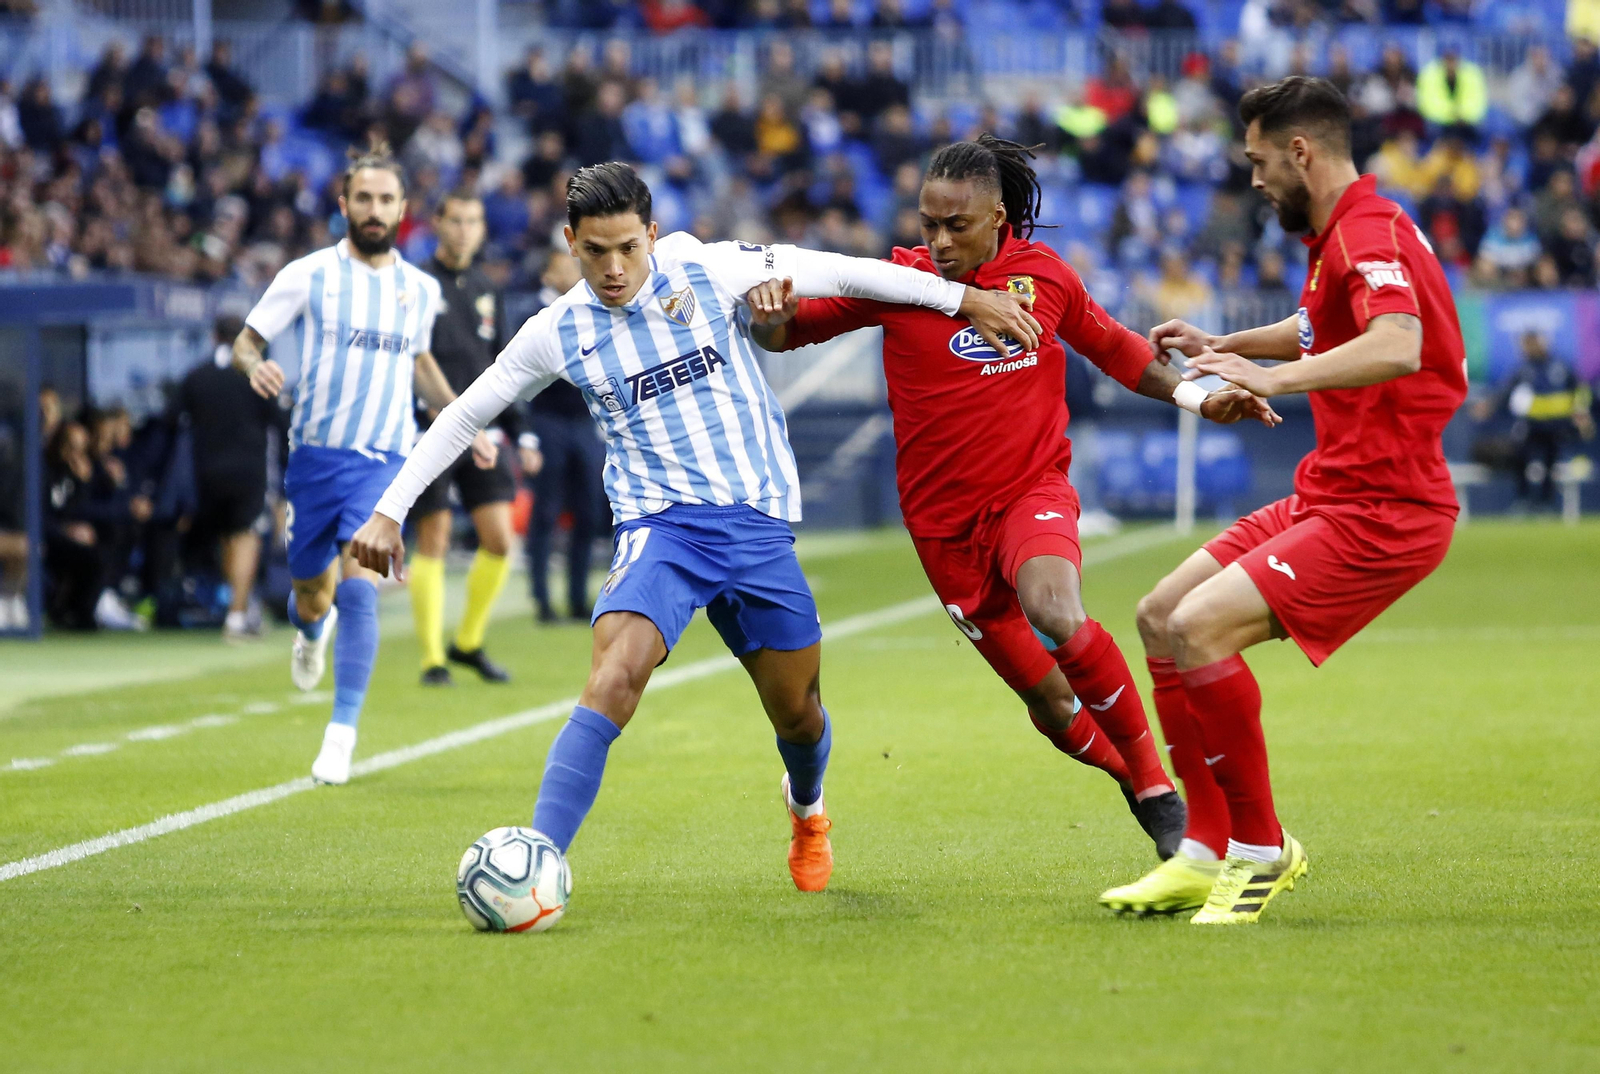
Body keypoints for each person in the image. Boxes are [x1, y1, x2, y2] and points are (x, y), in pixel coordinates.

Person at [348, 161, 1037, 894]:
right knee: (614, 675)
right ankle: (538, 858)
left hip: (754, 521)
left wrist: (965, 299)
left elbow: (851, 274)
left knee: (799, 715)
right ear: (570, 243)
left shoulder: (710, 269)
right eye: (593, 253)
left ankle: (807, 809)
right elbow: (463, 414)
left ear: (652, 234)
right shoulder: (557, 331)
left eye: (627, 249)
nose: (613, 270)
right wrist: (389, 511)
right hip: (660, 527)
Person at [752, 135, 1279, 862]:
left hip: (1031, 492)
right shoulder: (898, 281)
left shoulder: (1043, 275)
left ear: (998, 216)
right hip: (944, 533)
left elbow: (1120, 351)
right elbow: (782, 336)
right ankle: (1134, 777)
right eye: (927, 224)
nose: (937, 242)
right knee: (1053, 703)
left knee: (1055, 609)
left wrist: (1197, 395)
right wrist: (769, 312)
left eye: (955, 226)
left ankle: (1158, 791)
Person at [1102, 77, 1468, 924]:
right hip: (1331, 492)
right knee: (1160, 615)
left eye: (1260, 161)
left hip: (1389, 511)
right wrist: (1226, 345)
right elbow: (1318, 328)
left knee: (1201, 628)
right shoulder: (1340, 234)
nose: (1256, 179)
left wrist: (1272, 379)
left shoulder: (1366, 231)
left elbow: (1396, 342)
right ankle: (1201, 849)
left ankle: (1261, 851)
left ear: (1301, 151)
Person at [230, 139, 497, 786]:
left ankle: (341, 735)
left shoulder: (418, 288)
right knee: (312, 595)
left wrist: (467, 423)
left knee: (360, 590)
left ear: (403, 207)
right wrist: (255, 365)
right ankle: (306, 629)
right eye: (364, 198)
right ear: (343, 202)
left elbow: (420, 364)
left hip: (384, 462)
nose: (374, 209)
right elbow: (246, 340)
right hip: (315, 460)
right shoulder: (308, 274)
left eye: (386, 199)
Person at [409, 190, 538, 686]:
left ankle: (467, 642)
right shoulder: (417, 283)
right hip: (430, 429)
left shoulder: (488, 287)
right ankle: (431, 660)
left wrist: (522, 433)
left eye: (473, 221)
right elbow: (410, 359)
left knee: (500, 540)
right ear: (437, 222)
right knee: (435, 538)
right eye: (456, 220)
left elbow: (505, 365)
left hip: (481, 430)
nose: (464, 229)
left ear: (483, 230)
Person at [178, 314, 289, 641]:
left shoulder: (196, 376)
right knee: (245, 537)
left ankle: (239, 606)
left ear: (214, 337)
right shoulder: (258, 375)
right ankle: (238, 616)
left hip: (208, 472)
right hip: (247, 471)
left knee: (228, 537)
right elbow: (283, 427)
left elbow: (173, 419)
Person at [524, 251, 606, 623]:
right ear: (546, 271)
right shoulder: (532, 313)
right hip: (547, 419)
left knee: (589, 510)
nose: (571, 272)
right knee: (546, 511)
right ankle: (542, 600)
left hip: (582, 421)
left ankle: (577, 598)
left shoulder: (588, 308)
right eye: (563, 265)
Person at [1473, 331, 1595, 508]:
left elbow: (1578, 390)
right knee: (1521, 459)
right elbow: (1505, 391)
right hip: (1531, 425)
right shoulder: (1524, 368)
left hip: (1556, 425)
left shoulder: (1560, 365)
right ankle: (1523, 500)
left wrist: (1581, 413)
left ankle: (1546, 502)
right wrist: (1489, 405)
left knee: (1550, 464)